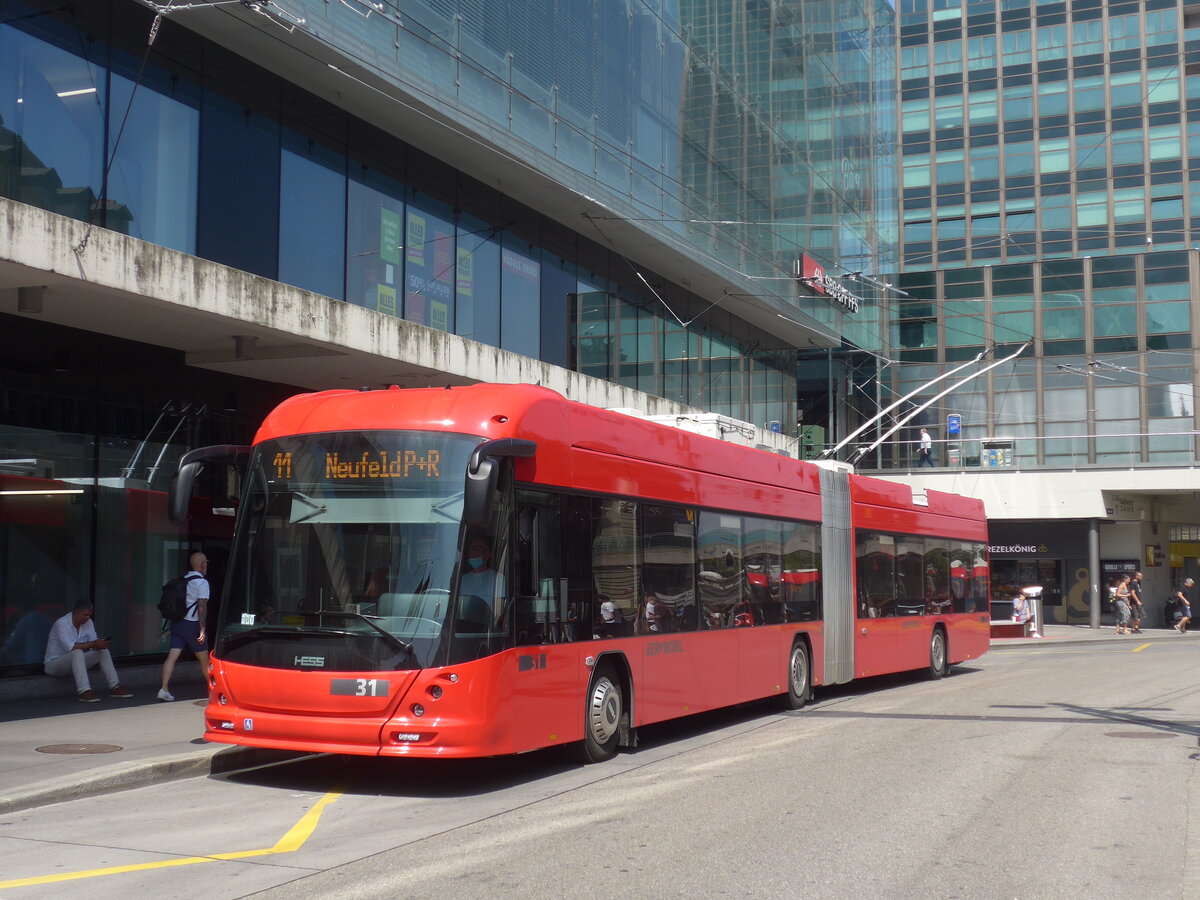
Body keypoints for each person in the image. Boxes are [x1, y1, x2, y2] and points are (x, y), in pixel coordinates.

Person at [43, 600, 132, 701]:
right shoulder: (62, 624)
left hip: (75, 663)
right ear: (76, 613)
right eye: (85, 615)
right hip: (54, 665)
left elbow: (93, 643)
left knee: (103, 651)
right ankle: (84, 691)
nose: (87, 618)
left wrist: (99, 644)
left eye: (89, 615)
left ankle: (115, 686)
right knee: (77, 652)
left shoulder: (88, 622)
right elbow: (71, 647)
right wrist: (94, 644)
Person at [159, 552, 209, 701]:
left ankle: (164, 688)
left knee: (172, 656)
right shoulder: (202, 583)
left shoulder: (184, 579)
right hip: (192, 624)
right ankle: (214, 690)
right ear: (202, 565)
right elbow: (202, 606)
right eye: (205, 562)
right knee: (204, 659)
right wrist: (202, 628)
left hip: (178, 623)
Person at [459, 536, 504, 614]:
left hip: (487, 625)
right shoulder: (461, 579)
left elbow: (499, 613)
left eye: (477, 549)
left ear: (488, 555)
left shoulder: (498, 579)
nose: (473, 552)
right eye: (471, 549)